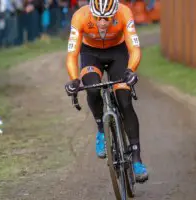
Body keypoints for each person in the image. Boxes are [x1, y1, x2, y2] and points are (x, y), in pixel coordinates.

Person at [64, 0, 148, 183]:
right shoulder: (80, 16)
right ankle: (102, 129)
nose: (102, 22)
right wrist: (74, 79)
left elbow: (134, 48)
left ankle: (136, 159)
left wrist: (131, 70)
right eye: (98, 17)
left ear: (114, 13)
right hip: (91, 54)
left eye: (107, 18)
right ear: (91, 12)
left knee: (125, 101)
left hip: (118, 53)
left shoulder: (124, 13)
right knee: (92, 89)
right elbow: (72, 54)